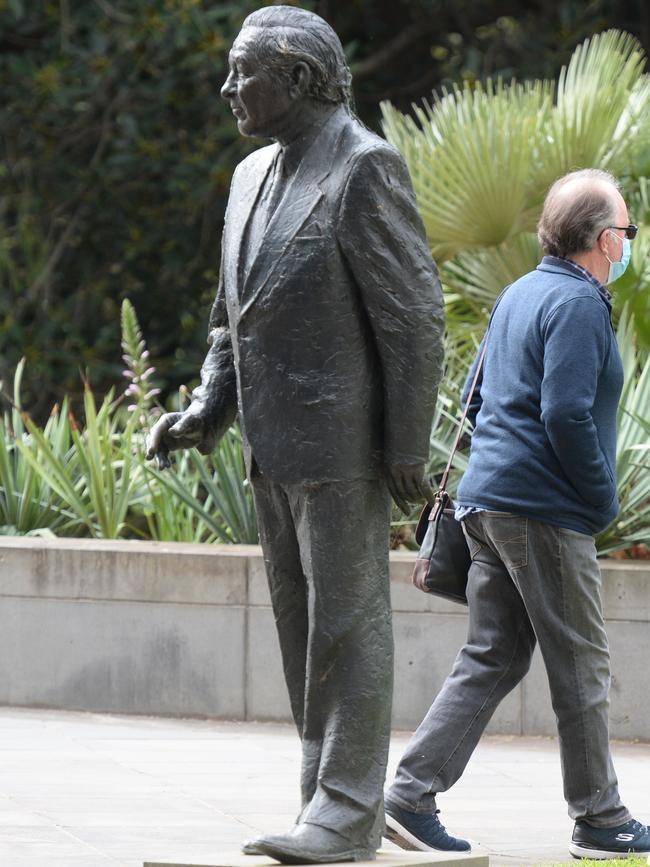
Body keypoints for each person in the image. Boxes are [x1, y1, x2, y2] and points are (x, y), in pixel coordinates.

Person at [146, 6, 445, 864]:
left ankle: (347, 814)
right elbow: (227, 319)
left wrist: (405, 446)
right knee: (300, 630)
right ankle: (322, 800)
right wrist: (208, 408)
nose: (228, 89)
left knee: (348, 629)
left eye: (246, 73)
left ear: (302, 78)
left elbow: (415, 318)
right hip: (270, 449)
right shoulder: (248, 178)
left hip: (345, 449)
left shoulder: (365, 169)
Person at [384, 168, 650, 861]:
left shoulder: (519, 293)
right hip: (542, 507)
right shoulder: (581, 304)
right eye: (626, 230)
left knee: (494, 651)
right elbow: (564, 412)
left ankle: (410, 793)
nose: (629, 242)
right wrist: (599, 498)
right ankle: (600, 817)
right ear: (601, 238)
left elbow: (476, 398)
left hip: (486, 500)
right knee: (583, 663)